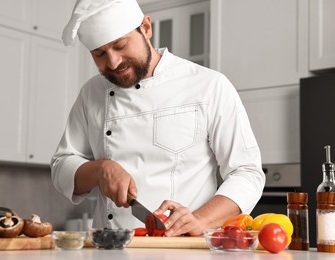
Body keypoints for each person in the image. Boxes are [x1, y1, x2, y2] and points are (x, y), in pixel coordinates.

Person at [51, 0, 265, 237]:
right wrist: (100, 169)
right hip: (110, 247)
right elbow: (61, 166)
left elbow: (247, 172)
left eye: (121, 46)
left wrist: (199, 219)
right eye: (99, 54)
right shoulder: (91, 93)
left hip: (183, 248)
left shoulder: (209, 86)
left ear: (146, 27)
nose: (113, 62)